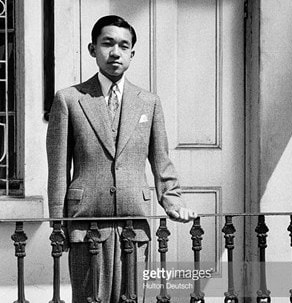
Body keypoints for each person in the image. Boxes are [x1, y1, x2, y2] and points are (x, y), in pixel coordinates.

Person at [46, 15, 197, 303]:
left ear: (132, 54)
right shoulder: (69, 99)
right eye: (107, 43)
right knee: (89, 299)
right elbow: (57, 170)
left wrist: (173, 201)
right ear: (92, 49)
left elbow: (161, 160)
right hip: (86, 223)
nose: (115, 52)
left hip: (134, 224)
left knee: (134, 299)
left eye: (123, 46)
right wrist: (58, 224)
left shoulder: (149, 102)